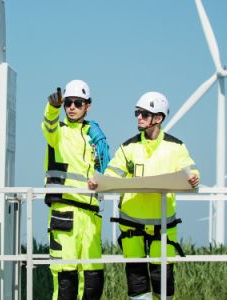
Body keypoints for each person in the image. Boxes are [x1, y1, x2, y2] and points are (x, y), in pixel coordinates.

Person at [88, 91, 199, 300]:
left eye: (144, 114)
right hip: (131, 223)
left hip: (163, 224)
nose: (139, 117)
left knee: (163, 280)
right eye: (137, 113)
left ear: (158, 118)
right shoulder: (128, 147)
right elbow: (113, 172)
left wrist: (194, 178)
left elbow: (190, 170)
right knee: (136, 281)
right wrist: (99, 181)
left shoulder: (176, 147)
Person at [42, 79, 110, 300]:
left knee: (93, 279)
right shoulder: (58, 132)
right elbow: (48, 125)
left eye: (77, 103)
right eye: (68, 103)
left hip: (90, 216)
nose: (71, 107)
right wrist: (52, 109)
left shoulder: (94, 136)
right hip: (65, 213)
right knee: (65, 279)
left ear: (87, 106)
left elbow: (106, 168)